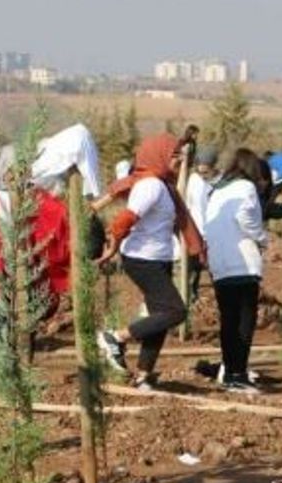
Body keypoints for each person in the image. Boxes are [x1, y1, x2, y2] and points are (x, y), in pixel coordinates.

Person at [95, 133, 205, 391]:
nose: (179, 160)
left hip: (158, 257)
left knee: (160, 317)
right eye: (174, 155)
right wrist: (112, 247)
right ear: (159, 156)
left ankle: (144, 376)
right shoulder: (151, 186)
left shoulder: (164, 186)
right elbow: (125, 219)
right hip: (142, 259)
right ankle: (115, 337)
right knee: (175, 311)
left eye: (179, 155)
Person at [0, 144, 71, 316]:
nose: (18, 175)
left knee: (26, 314)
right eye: (12, 169)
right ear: (2, 168)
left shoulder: (34, 194)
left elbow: (57, 218)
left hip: (26, 265)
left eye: (22, 169)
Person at [203, 149, 270, 394]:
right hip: (242, 263)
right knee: (244, 320)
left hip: (220, 264)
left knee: (228, 320)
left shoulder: (217, 190)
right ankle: (239, 374)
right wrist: (262, 238)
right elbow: (246, 218)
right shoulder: (246, 187)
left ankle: (231, 372)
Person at [184, 145, 220, 299]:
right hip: (195, 231)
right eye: (200, 172)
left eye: (206, 172)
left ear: (214, 168)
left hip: (215, 233)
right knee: (192, 269)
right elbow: (187, 204)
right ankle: (191, 296)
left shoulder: (221, 182)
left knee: (216, 269)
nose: (202, 175)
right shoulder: (193, 180)